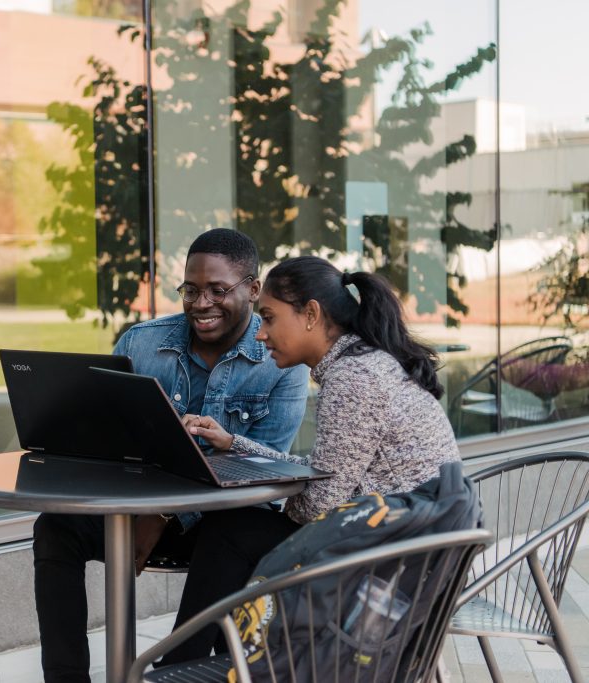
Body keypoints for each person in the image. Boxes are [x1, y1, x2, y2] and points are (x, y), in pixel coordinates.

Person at [32, 229, 310, 683]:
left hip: (217, 524)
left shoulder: (280, 361)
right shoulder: (140, 344)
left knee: (237, 528)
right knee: (55, 527)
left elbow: (259, 470)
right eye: (191, 290)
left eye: (218, 290)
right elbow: (107, 438)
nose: (202, 303)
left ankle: (177, 672)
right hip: (135, 508)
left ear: (253, 289)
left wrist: (166, 516)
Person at [162, 254, 461, 665]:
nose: (261, 334)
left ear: (311, 314)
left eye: (268, 318)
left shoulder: (354, 378)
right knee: (239, 538)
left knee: (230, 531)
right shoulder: (365, 362)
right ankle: (228, 662)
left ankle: (186, 665)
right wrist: (234, 442)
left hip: (395, 562)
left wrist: (289, 502)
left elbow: (320, 506)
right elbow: (327, 472)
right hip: (419, 541)